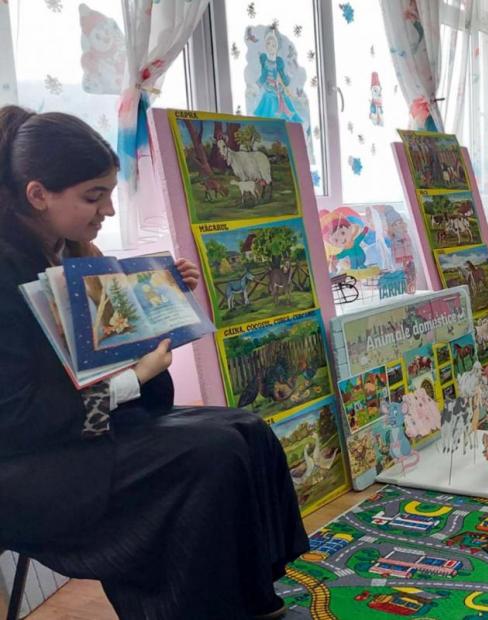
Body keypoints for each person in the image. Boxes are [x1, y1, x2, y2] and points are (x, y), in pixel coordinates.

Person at [0, 106, 308, 619]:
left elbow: (97, 365)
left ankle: (250, 601)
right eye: (93, 197)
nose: (108, 211)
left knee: (247, 431)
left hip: (78, 432)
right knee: (209, 455)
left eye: (109, 194)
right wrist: (133, 378)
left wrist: (159, 303)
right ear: (38, 195)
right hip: (26, 463)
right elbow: (16, 419)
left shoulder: (71, 253)